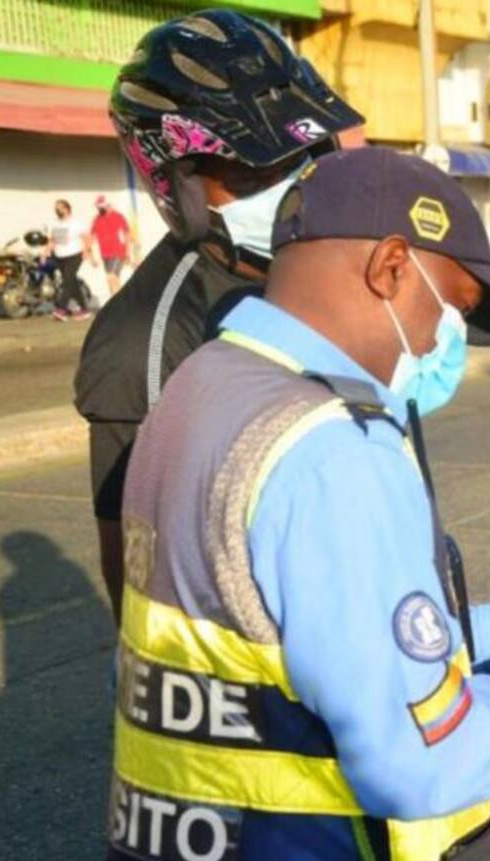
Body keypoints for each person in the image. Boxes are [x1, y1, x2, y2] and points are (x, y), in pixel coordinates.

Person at [105, 145, 490, 861]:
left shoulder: (206, 386)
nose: (438, 339)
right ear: (390, 268)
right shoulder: (332, 449)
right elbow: (418, 759)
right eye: (448, 306)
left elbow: (330, 647)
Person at [73, 8, 363, 620]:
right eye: (248, 171)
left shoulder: (323, 268)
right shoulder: (143, 342)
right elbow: (140, 575)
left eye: (301, 156)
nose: (289, 184)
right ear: (179, 185)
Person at [46, 199, 92, 321]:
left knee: (67, 281)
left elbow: (86, 237)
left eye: (60, 207)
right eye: (56, 208)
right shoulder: (55, 223)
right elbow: (52, 240)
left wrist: (86, 251)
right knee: (71, 282)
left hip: (74, 254)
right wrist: (46, 252)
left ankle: (62, 309)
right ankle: (84, 309)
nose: (57, 210)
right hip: (60, 256)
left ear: (67, 208)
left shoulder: (76, 222)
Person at [89, 196, 131, 294]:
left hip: (118, 252)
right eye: (97, 207)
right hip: (105, 254)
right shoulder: (97, 219)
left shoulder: (118, 216)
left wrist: (127, 253)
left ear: (108, 205)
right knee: (112, 279)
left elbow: (127, 234)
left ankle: (121, 302)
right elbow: (91, 237)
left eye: (100, 207)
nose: (99, 209)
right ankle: (116, 302)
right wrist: (91, 257)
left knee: (111, 277)